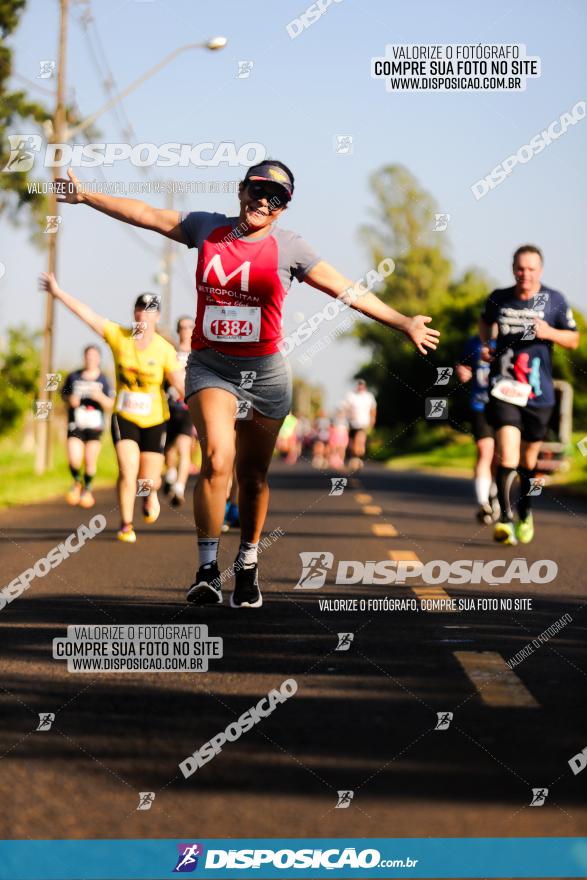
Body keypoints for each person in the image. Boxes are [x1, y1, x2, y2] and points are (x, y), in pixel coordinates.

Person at [56, 160, 439, 607]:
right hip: (211, 367)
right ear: (241, 191)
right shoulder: (206, 229)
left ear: (284, 209)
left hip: (266, 374)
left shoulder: (290, 247)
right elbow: (145, 214)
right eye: (257, 190)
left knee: (253, 476)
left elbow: (347, 291)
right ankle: (206, 570)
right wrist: (87, 197)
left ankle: (249, 562)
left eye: (276, 198)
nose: (263, 201)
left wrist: (403, 322)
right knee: (218, 460)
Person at [39, 275, 185, 543]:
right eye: (139, 309)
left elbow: (180, 383)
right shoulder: (119, 337)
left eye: (149, 311)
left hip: (154, 419)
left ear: (156, 317)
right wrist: (58, 292)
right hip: (125, 416)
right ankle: (126, 525)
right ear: (134, 313)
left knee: (148, 479)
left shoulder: (164, 350)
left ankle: (149, 494)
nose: (143, 315)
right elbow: (87, 315)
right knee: (127, 469)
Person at [480, 245, 579, 545]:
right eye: (520, 268)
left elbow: (573, 339)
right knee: (507, 455)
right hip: (505, 388)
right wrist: (487, 345)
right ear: (513, 269)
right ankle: (506, 520)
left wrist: (550, 333)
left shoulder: (555, 300)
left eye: (531, 269)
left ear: (540, 270)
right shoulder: (499, 297)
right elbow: (484, 323)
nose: (525, 274)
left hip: (539, 394)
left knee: (529, 463)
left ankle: (526, 510)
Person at [61, 345, 114, 508]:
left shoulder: (104, 379)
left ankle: (88, 490)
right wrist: (71, 400)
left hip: (95, 426)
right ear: (84, 357)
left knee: (90, 460)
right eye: (87, 356)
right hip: (75, 424)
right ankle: (77, 482)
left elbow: (111, 404)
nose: (90, 359)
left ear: (98, 359)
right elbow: (64, 396)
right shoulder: (73, 377)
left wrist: (100, 397)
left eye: (93, 356)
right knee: (74, 459)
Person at [455, 336, 499, 524]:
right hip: (480, 405)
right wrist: (462, 370)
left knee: (501, 457)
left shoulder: (514, 338)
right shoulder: (474, 342)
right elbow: (462, 363)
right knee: (485, 451)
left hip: (508, 405)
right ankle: (483, 502)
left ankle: (495, 495)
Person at [163, 315, 195, 507]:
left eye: (190, 327)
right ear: (178, 330)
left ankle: (179, 488)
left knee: (184, 448)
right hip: (168, 406)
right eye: (182, 327)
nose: (186, 330)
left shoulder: (200, 354)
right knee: (168, 449)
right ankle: (170, 473)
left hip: (188, 407)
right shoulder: (170, 353)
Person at [342, 379, 377, 468]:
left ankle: (358, 458)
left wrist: (372, 420)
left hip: (363, 423)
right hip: (352, 423)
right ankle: (354, 457)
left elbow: (373, 409)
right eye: (359, 385)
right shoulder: (351, 396)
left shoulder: (369, 396)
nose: (360, 386)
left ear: (364, 386)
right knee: (352, 443)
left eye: (362, 385)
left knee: (360, 440)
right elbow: (345, 409)